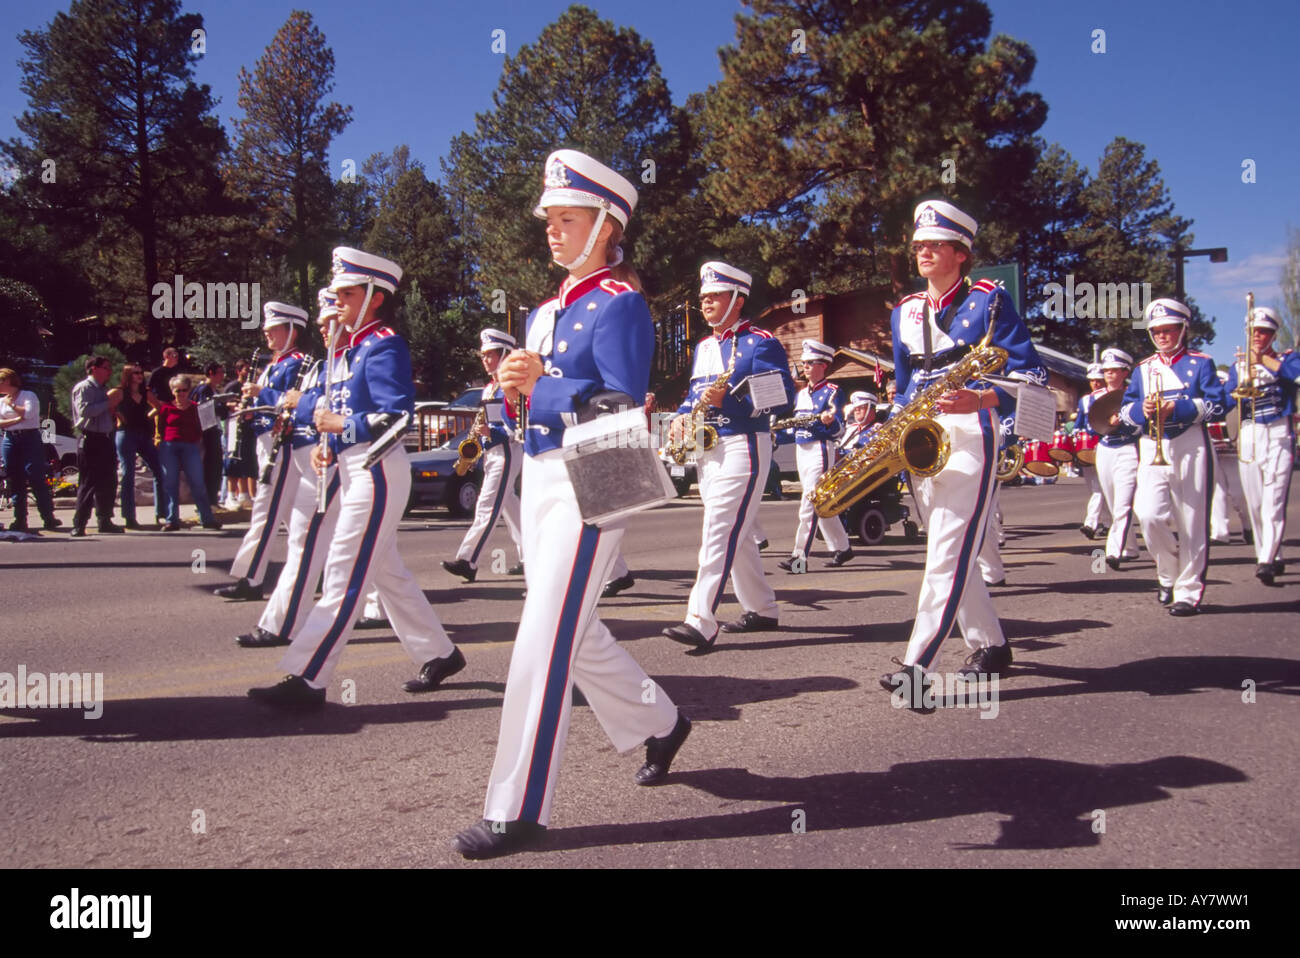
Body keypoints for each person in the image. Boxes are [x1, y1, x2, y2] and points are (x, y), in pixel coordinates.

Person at [452, 150, 688, 859]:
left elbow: (623, 403)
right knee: (572, 630)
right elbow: (533, 409)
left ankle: (517, 808)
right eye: (550, 220)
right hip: (547, 473)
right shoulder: (549, 307)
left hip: (601, 471)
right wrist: (519, 395)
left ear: (605, 226)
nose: (553, 231)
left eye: (567, 219)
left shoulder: (622, 304)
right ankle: (661, 723)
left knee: (544, 637)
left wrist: (539, 388)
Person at [248, 247, 464, 707]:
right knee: (388, 574)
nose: (336, 302)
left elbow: (397, 419)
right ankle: (440, 653)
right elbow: (344, 414)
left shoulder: (383, 344)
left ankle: (308, 678)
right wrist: (332, 443)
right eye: (337, 293)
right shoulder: (349, 351)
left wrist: (339, 428)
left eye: (346, 294)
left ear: (374, 296)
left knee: (343, 572)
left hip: (378, 470)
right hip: (355, 466)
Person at [879, 200, 1046, 707]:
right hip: (922, 439)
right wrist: (888, 436)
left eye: (934, 244)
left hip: (973, 431)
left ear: (961, 252)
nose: (923, 251)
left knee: (947, 554)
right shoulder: (904, 311)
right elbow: (905, 387)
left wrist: (982, 395)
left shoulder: (991, 301)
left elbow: (1033, 379)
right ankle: (992, 647)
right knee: (949, 552)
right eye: (918, 245)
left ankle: (916, 667)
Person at [661, 261, 795, 650]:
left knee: (719, 530)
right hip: (708, 448)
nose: (705, 303)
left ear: (737, 299)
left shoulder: (760, 342)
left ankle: (701, 619)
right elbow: (692, 396)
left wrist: (734, 398)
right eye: (702, 297)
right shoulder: (704, 346)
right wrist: (682, 418)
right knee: (738, 531)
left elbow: (782, 396)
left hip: (743, 444)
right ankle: (762, 608)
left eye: (714, 296)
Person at [1119, 298, 1225, 615]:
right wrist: (1143, 410)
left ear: (1182, 329)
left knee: (1192, 521)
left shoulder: (1201, 363)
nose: (1163, 336)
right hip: (1153, 443)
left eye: (1169, 329)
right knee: (1148, 515)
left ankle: (1188, 592)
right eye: (1157, 331)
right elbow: (1125, 412)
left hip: (1190, 441)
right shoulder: (1142, 369)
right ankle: (1167, 573)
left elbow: (1220, 404)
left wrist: (1179, 407)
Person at [213, 303, 307, 601]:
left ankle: (250, 578)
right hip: (266, 442)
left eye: (273, 329)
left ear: (291, 330)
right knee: (297, 519)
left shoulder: (297, 363)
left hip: (283, 445)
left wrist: (260, 395)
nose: (266, 333)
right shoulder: (274, 363)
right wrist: (250, 412)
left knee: (265, 512)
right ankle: (311, 571)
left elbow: (294, 402)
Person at [442, 328, 525, 583]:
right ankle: (531, 556)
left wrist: (491, 432)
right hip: (493, 452)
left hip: (507, 451)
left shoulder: (511, 385)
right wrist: (477, 440)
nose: (485, 359)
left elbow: (517, 425)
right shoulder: (489, 388)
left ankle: (468, 560)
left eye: (491, 354)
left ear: (504, 354)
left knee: (486, 507)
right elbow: (487, 420)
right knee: (511, 508)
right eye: (484, 354)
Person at [1223, 304, 1298, 584]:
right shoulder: (1238, 366)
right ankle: (1271, 552)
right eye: (1254, 332)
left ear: (1273, 335)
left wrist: (1265, 362)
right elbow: (1226, 400)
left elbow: (1297, 377)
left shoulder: (1287, 360)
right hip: (1250, 432)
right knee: (1253, 501)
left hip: (1279, 432)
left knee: (1273, 500)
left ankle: (1266, 559)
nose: (1259, 337)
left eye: (1265, 332)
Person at [776, 340, 852, 569]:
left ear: (824, 365)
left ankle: (799, 558)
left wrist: (828, 423)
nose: (805, 367)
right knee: (822, 502)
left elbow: (839, 428)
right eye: (804, 363)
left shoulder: (832, 392)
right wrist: (776, 436)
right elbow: (796, 429)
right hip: (802, 450)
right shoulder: (801, 396)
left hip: (820, 449)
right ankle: (843, 548)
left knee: (809, 502)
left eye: (810, 363)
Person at [1092, 348, 1142, 569]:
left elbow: (1142, 424)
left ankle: (1112, 551)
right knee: (1113, 503)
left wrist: (1123, 421)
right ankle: (1130, 546)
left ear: (1125, 372)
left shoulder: (1135, 394)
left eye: (1115, 370)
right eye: (1106, 371)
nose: (1109, 375)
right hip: (1104, 449)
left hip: (1127, 448)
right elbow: (1089, 425)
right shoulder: (1094, 397)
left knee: (1123, 503)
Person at [153, 374, 222, 531]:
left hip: (190, 446)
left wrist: (198, 443)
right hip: (169, 446)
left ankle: (207, 518)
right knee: (170, 483)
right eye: (178, 391)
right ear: (172, 391)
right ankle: (172, 519)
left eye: (184, 390)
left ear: (189, 390)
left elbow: (204, 427)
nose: (181, 394)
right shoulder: (166, 408)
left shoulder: (196, 407)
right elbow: (160, 426)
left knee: (197, 482)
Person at [0, 368, 61, 532]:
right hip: (10, 438)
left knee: (35, 476)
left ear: (8, 381)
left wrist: (12, 406)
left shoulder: (28, 395)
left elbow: (29, 414)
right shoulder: (1, 400)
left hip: (29, 437)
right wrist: (16, 419)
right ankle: (20, 519)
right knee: (15, 478)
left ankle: (48, 517)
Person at [69, 355, 123, 536]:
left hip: (106, 438)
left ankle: (105, 520)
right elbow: (84, 411)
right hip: (90, 438)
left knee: (108, 481)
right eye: (106, 368)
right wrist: (109, 402)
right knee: (88, 482)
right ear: (94, 369)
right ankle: (79, 523)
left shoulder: (103, 389)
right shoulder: (84, 388)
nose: (109, 372)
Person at [110, 363, 165, 529]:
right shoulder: (119, 392)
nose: (140, 376)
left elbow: (159, 407)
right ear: (128, 375)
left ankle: (161, 513)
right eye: (135, 373)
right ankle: (129, 517)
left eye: (141, 372)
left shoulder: (145, 392)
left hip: (143, 434)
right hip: (126, 433)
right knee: (128, 474)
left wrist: (148, 416)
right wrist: (119, 416)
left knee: (159, 469)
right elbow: (108, 406)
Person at [1076, 364, 1112, 539]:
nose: (1095, 384)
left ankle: (1090, 524)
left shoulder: (1111, 396)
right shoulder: (1084, 400)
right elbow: (1079, 424)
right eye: (1092, 381)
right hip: (1087, 446)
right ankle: (1108, 523)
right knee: (1094, 488)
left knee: (1098, 488)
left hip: (1104, 443)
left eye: (1098, 381)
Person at [189, 362, 230, 509]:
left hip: (215, 430)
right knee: (209, 466)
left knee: (216, 466)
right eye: (219, 372)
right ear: (211, 373)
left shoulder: (215, 390)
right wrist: (223, 406)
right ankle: (207, 501)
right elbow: (205, 408)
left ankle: (212, 499)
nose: (222, 375)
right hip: (207, 432)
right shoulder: (204, 389)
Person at [223, 358, 258, 507]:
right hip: (234, 427)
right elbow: (222, 406)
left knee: (245, 460)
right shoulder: (232, 386)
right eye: (246, 370)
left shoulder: (252, 387)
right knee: (233, 460)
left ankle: (244, 494)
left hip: (248, 428)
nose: (249, 373)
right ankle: (230, 495)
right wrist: (232, 405)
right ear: (238, 371)